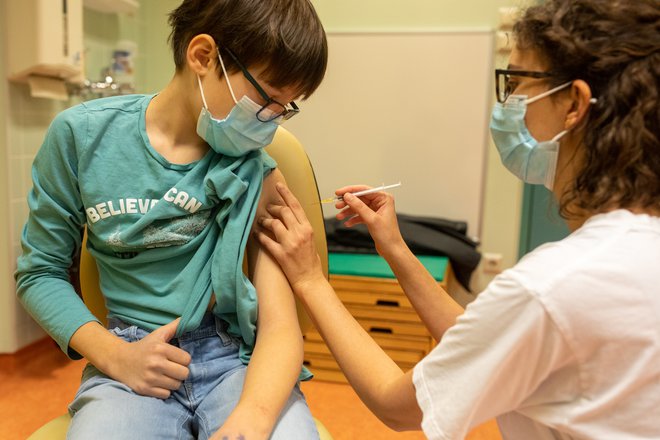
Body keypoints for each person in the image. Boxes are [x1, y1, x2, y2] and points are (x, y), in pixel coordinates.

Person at [255, 0, 660, 438]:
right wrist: (394, 247)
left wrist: (312, 280)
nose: (508, 106)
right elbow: (485, 341)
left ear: (574, 104)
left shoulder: (551, 288)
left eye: (517, 82)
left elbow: (398, 405)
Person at [15, 1, 327, 439]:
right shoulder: (81, 138)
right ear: (202, 56)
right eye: (267, 98)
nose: (271, 121)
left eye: (285, 107)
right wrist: (115, 356)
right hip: (128, 358)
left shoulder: (254, 170)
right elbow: (40, 272)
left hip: (233, 361)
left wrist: (252, 419)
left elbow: (279, 324)